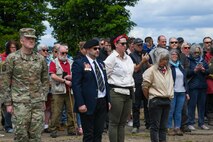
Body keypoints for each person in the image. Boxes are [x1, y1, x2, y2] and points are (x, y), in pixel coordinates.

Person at [3, 28, 49, 142]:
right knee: (21, 136)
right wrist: (8, 103)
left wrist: (43, 99)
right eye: (28, 38)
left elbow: (45, 80)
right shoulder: (12, 58)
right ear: (22, 41)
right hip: (20, 104)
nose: (31, 40)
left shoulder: (40, 59)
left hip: (37, 103)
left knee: (36, 136)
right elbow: (5, 81)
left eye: (33, 38)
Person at [72, 39, 110, 142]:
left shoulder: (101, 63)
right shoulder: (79, 63)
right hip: (88, 102)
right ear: (88, 49)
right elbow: (76, 85)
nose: (97, 50)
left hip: (101, 101)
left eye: (98, 48)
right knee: (89, 134)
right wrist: (80, 103)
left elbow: (105, 82)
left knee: (99, 132)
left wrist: (108, 100)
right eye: (95, 48)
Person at [104, 34, 135, 142]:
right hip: (116, 92)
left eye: (125, 43)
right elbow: (105, 77)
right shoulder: (111, 59)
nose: (125, 45)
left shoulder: (128, 58)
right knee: (114, 122)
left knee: (122, 123)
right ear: (115, 44)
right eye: (122, 43)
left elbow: (130, 74)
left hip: (128, 91)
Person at [142, 47, 174, 142]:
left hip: (167, 100)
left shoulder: (169, 70)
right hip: (156, 100)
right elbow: (145, 87)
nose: (164, 61)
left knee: (163, 127)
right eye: (162, 59)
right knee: (155, 127)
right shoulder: (151, 70)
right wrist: (150, 97)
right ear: (157, 59)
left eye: (166, 59)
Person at [49, 44, 76, 138]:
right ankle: (53, 130)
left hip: (70, 90)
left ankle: (71, 129)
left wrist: (71, 77)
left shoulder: (71, 62)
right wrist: (64, 81)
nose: (64, 54)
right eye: (62, 53)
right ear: (58, 53)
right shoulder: (53, 62)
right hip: (58, 91)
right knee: (56, 112)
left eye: (66, 53)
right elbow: (52, 75)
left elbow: (76, 74)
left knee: (71, 110)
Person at [129, 38, 150, 133]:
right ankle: (136, 125)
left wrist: (147, 61)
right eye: (138, 45)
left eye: (141, 45)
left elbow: (152, 67)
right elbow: (135, 69)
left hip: (146, 83)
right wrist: (142, 61)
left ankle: (149, 125)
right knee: (136, 106)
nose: (140, 46)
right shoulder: (131, 56)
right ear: (134, 46)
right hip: (136, 83)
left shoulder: (146, 54)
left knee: (148, 105)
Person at [187, 44, 209, 130]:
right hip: (193, 86)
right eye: (195, 52)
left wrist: (203, 70)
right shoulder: (188, 61)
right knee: (191, 106)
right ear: (192, 52)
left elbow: (208, 71)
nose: (197, 54)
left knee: (202, 106)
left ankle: (201, 123)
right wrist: (194, 70)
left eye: (198, 52)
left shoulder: (203, 61)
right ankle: (190, 122)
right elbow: (187, 72)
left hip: (202, 86)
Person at [167, 49, 188, 136]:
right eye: (172, 54)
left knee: (178, 111)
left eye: (176, 54)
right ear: (169, 56)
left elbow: (185, 80)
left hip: (182, 92)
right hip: (173, 92)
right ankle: (169, 128)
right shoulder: (168, 67)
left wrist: (187, 92)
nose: (174, 56)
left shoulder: (180, 66)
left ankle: (177, 128)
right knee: (171, 111)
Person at [0, 40, 19, 134]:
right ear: (8, 48)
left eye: (15, 47)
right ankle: (7, 126)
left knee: (13, 105)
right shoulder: (2, 57)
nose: (13, 49)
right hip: (4, 85)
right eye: (12, 47)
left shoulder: (19, 57)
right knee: (6, 105)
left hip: (15, 85)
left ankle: (10, 125)